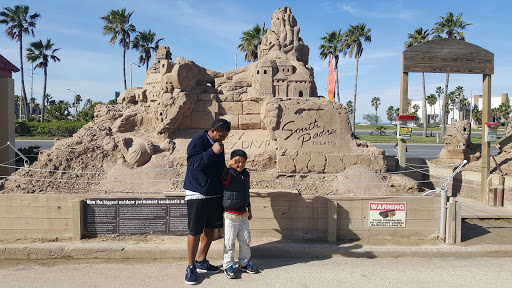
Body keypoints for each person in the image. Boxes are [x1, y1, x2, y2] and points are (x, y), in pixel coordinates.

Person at [183, 118, 231, 285]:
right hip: (197, 192)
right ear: (212, 130)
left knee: (209, 231)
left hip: (213, 193)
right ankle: (190, 267)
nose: (223, 138)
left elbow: (217, 168)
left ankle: (201, 260)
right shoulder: (198, 141)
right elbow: (193, 164)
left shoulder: (220, 144)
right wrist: (212, 151)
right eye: (220, 134)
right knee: (195, 231)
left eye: (225, 136)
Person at [222, 149, 260, 279]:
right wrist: (228, 166)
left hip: (243, 214)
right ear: (232, 161)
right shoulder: (228, 173)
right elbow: (223, 176)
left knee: (245, 240)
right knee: (229, 242)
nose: (240, 165)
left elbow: (247, 193)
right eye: (237, 162)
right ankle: (228, 265)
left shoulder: (246, 174)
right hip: (230, 215)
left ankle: (244, 263)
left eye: (243, 162)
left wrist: (249, 209)